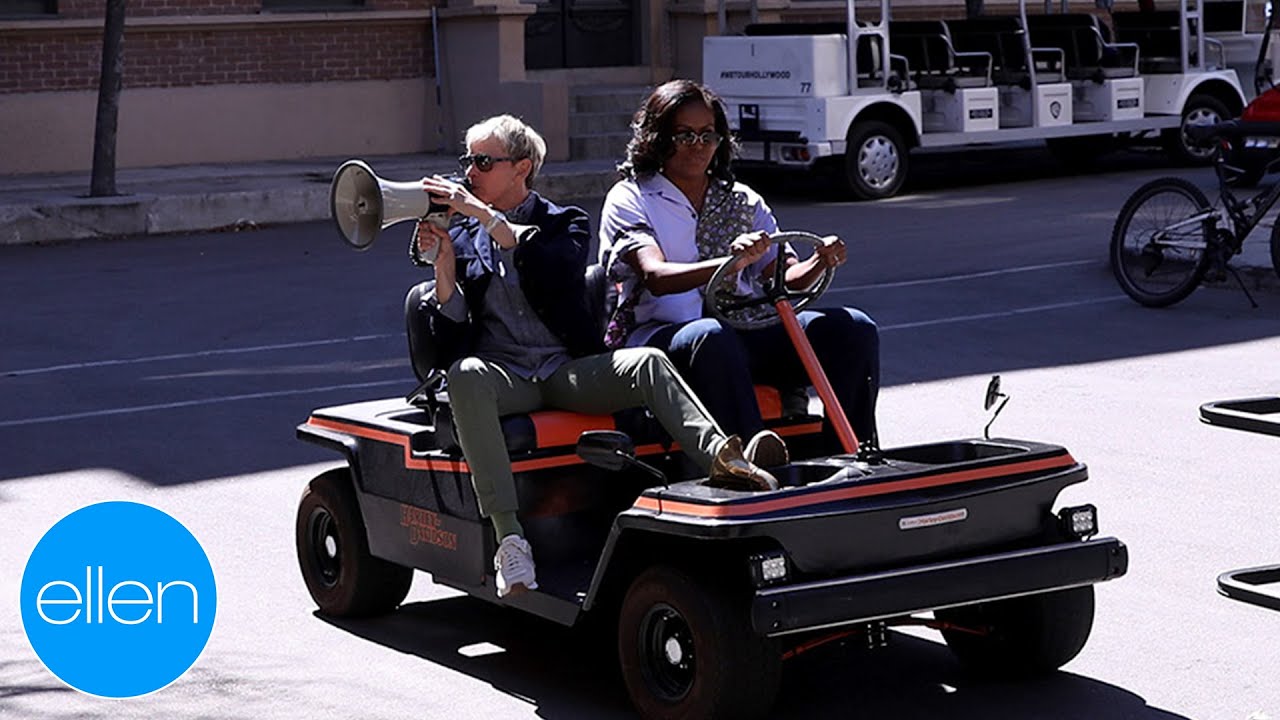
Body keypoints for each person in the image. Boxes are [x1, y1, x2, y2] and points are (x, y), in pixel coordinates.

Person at [409, 114, 783, 599]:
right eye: (468, 161)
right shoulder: (464, 239)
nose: (470, 173)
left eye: (482, 161)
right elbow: (453, 327)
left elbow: (549, 265)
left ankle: (724, 459)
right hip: (507, 375)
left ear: (521, 168)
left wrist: (484, 217)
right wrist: (443, 267)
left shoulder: (565, 223)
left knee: (647, 361)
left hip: (564, 369)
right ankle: (510, 540)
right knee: (465, 373)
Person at [598, 80, 881, 458]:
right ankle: (750, 457)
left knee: (853, 328)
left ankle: (849, 454)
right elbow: (655, 276)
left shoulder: (742, 200)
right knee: (711, 335)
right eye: (684, 135)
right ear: (657, 137)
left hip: (744, 332)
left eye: (707, 135)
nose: (698, 146)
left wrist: (819, 261)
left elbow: (784, 277)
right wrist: (731, 262)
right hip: (661, 337)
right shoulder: (632, 197)